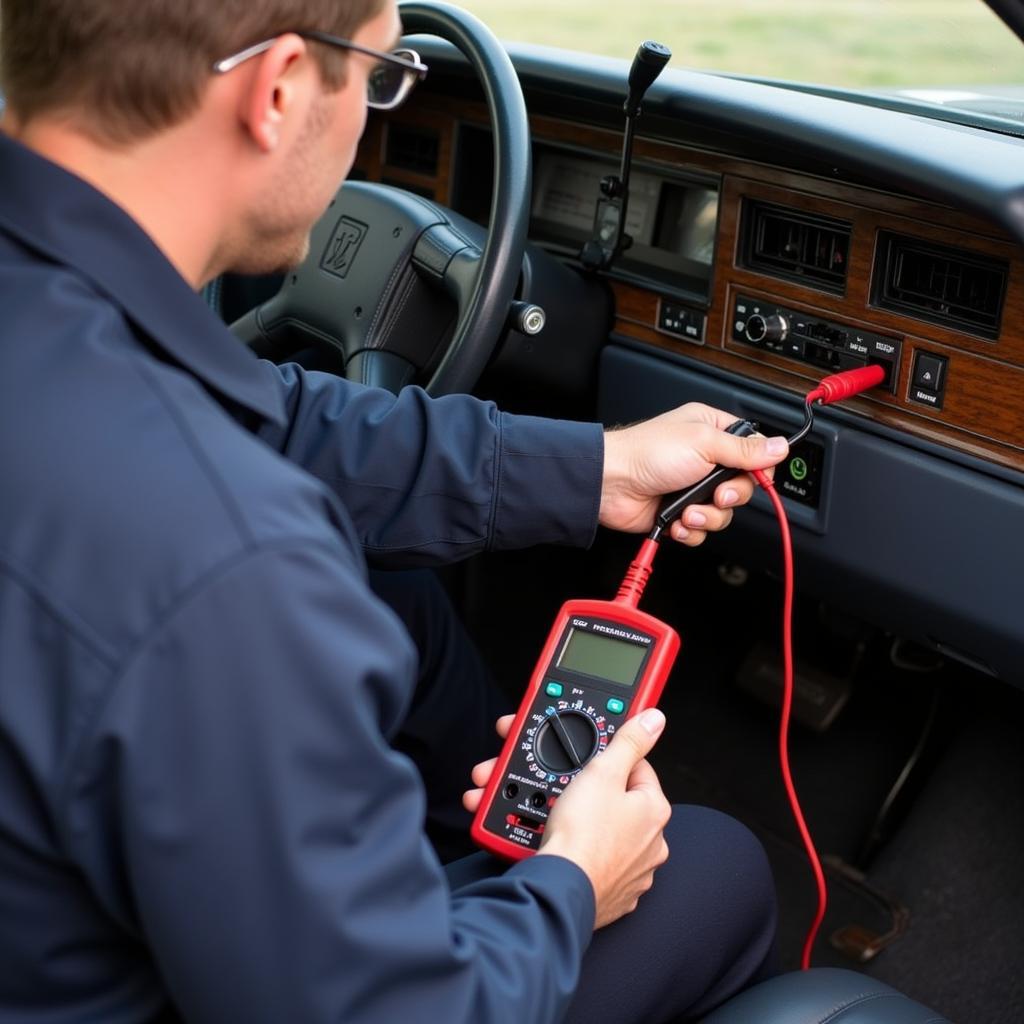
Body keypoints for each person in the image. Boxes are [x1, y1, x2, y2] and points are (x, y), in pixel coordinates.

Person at [0, 1, 789, 1021]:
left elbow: (266, 420)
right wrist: (570, 882)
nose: (372, 119)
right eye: (377, 79)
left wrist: (599, 467)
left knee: (398, 595)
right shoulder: (230, 568)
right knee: (711, 867)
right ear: (278, 89)